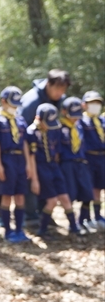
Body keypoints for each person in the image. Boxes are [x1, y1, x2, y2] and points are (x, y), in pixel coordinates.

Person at [19, 69, 71, 223]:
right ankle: (31, 216)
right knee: (30, 180)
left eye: (63, 89)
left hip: (49, 150)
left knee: (47, 184)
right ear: (48, 84)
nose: (60, 92)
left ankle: (44, 216)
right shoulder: (31, 101)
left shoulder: (60, 99)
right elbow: (22, 129)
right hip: (29, 149)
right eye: (57, 88)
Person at [26, 103, 81, 238]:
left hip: (53, 167)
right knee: (52, 200)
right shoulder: (31, 132)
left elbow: (56, 151)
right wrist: (34, 179)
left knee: (65, 197)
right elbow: (31, 157)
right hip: (40, 168)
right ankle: (42, 230)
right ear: (38, 118)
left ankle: (74, 228)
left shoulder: (54, 129)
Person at [0, 87, 33, 243]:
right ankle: (8, 231)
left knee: (20, 196)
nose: (14, 107)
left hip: (20, 160)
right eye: (11, 103)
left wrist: (28, 164)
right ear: (3, 101)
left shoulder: (20, 120)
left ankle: (19, 229)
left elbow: (25, 144)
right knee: (7, 196)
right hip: (6, 160)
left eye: (16, 104)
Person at [59, 97, 94, 232]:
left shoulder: (80, 125)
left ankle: (82, 220)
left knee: (87, 194)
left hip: (82, 163)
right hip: (67, 164)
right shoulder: (59, 126)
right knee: (70, 194)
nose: (74, 118)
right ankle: (73, 224)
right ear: (63, 111)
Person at [79, 90, 105, 229]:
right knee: (87, 189)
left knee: (98, 188)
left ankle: (98, 216)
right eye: (92, 103)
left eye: (97, 103)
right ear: (84, 105)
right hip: (88, 158)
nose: (95, 105)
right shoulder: (81, 121)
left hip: (101, 157)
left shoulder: (102, 120)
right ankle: (84, 217)